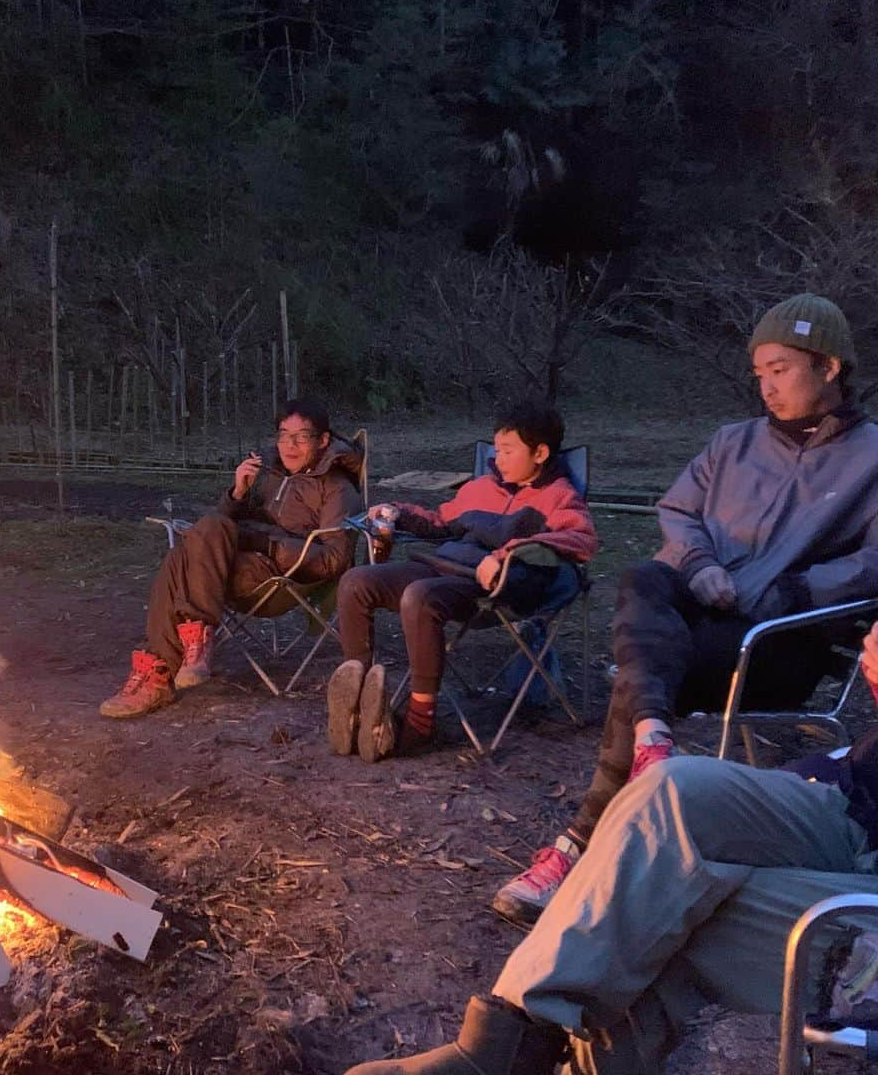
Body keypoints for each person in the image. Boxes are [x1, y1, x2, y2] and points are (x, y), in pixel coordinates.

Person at [493, 292, 878, 926]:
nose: (766, 387)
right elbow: (678, 513)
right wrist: (697, 565)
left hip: (779, 643)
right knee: (647, 576)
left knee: (643, 682)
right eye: (759, 373)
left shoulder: (869, 459)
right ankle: (649, 755)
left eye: (780, 370)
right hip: (699, 613)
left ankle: (578, 847)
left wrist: (801, 591)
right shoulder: (734, 443)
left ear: (830, 367)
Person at [344, 629, 878, 1075]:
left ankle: (512, 1051)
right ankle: (508, 1037)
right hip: (854, 804)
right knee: (671, 789)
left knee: (660, 907)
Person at [326, 398, 598, 760]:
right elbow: (441, 523)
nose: (498, 458)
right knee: (357, 582)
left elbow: (581, 539)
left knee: (419, 596)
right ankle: (360, 701)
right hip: (447, 567)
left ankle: (421, 724)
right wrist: (397, 513)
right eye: (496, 448)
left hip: (496, 589)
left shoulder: (559, 497)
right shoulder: (482, 488)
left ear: (541, 453)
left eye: (507, 450)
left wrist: (506, 554)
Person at [99, 398, 362, 718]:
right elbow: (217, 529)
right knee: (195, 543)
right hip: (231, 566)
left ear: (322, 440)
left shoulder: (337, 489)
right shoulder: (269, 475)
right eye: (283, 435)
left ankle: (158, 671)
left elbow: (336, 559)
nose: (289, 445)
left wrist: (266, 544)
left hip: (279, 578)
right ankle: (191, 644)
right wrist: (238, 492)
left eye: (301, 437)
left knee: (182, 558)